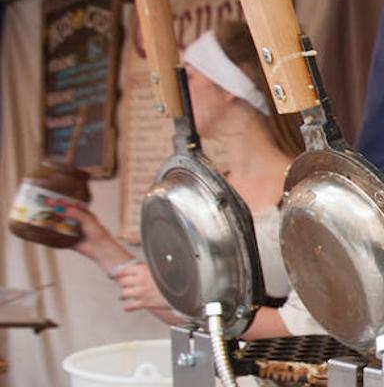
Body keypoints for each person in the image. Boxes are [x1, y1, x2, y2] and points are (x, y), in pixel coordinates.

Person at [67, 20, 323, 338]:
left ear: (230, 86)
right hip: (215, 384)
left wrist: (194, 302)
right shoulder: (210, 191)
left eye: (189, 75)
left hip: (284, 386)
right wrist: (98, 245)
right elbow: (188, 314)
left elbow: (311, 325)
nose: (180, 92)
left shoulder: (306, 192)